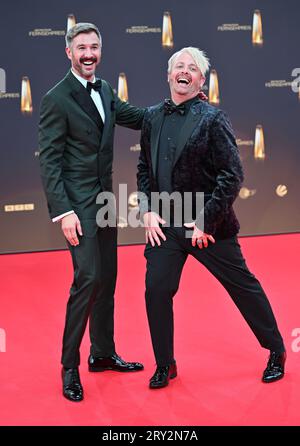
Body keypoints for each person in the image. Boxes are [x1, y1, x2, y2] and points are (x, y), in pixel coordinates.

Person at [137, 47, 286, 389]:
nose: (184, 71)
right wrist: (145, 210)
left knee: (242, 286)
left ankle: (276, 350)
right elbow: (144, 169)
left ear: (201, 80)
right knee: (156, 290)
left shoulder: (213, 119)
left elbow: (232, 175)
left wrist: (206, 220)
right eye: (179, 66)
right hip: (165, 225)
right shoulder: (151, 118)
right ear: (169, 74)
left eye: (192, 68)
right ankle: (165, 364)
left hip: (208, 224)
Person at [39, 23, 144, 402]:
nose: (88, 53)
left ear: (101, 51)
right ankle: (70, 365)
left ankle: (102, 353)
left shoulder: (106, 89)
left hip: (105, 203)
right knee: (88, 278)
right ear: (68, 52)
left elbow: (134, 116)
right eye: (81, 47)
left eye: (94, 47)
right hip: (77, 205)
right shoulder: (56, 98)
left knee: (107, 281)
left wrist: (174, 107)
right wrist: (63, 211)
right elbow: (49, 161)